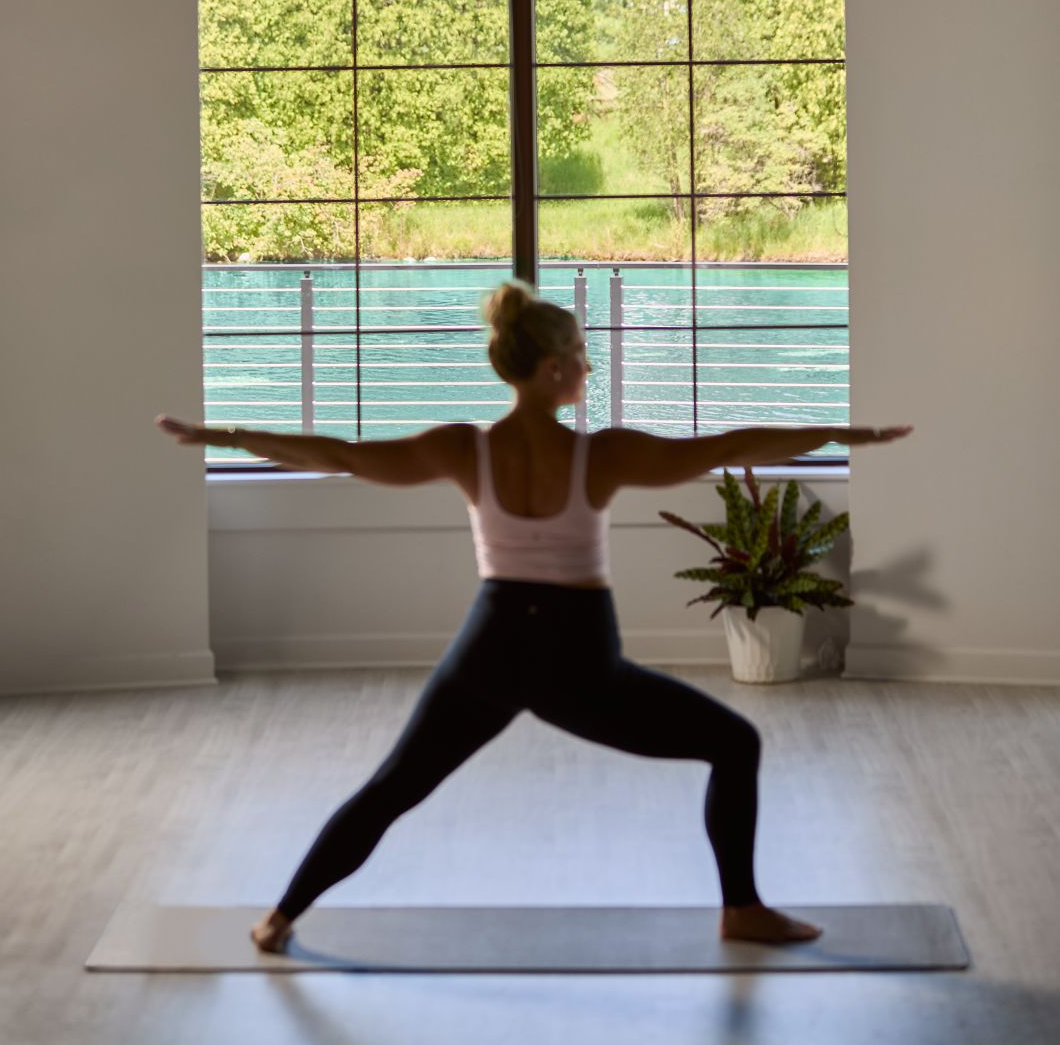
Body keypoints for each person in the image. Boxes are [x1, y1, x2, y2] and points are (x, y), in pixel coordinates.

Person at [157, 279, 912, 956]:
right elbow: (728, 445)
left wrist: (223, 437)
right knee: (734, 742)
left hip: (488, 648)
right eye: (581, 354)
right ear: (552, 370)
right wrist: (842, 437)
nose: (588, 366)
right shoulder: (603, 456)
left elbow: (344, 455)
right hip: (576, 659)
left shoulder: (463, 448)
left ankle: (279, 918)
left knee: (391, 788)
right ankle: (742, 909)